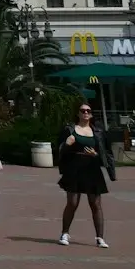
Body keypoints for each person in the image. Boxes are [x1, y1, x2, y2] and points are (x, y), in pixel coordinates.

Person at [58, 103, 115, 247]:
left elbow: (105, 153)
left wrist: (96, 154)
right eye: (82, 111)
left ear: (91, 114)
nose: (85, 113)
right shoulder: (70, 130)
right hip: (75, 168)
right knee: (72, 203)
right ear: (78, 113)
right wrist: (67, 144)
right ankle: (65, 233)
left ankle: (100, 238)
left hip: (92, 169)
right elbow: (59, 150)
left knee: (95, 204)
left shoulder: (98, 131)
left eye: (88, 111)